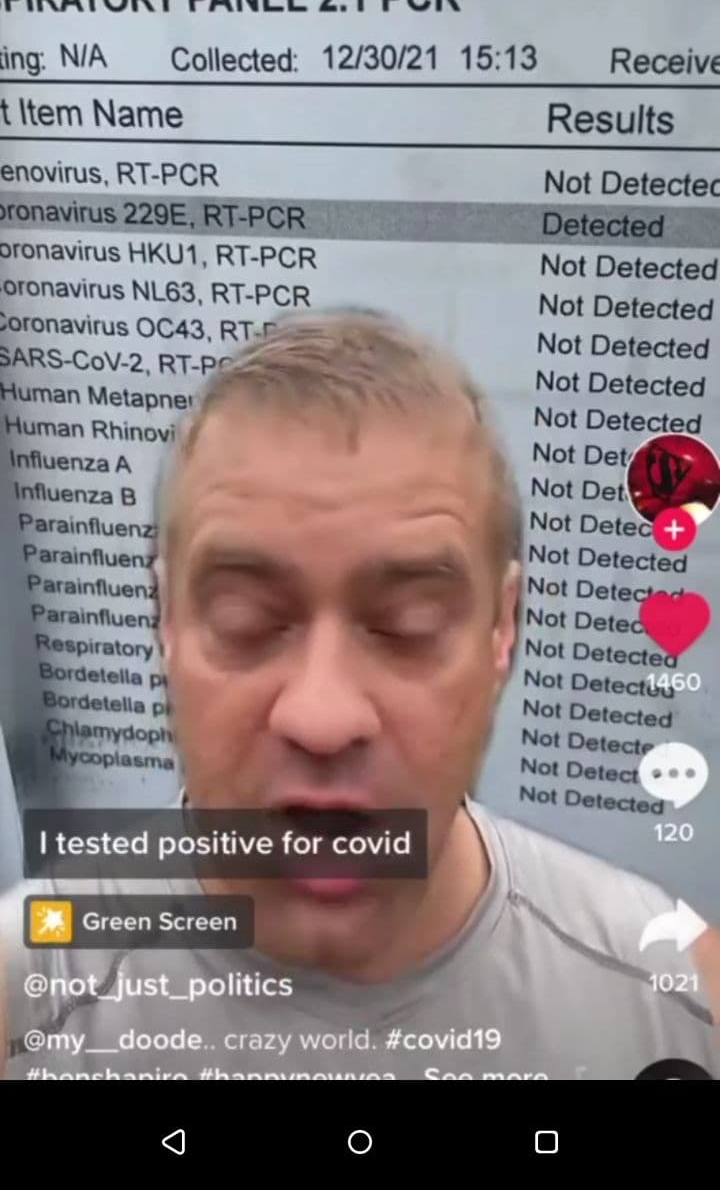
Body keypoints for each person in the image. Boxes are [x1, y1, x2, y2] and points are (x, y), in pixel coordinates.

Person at [1, 309, 718, 1082]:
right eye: (247, 620)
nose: (322, 717)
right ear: (166, 621)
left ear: (502, 629)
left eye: (409, 625)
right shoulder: (28, 997)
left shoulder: (675, 1003)